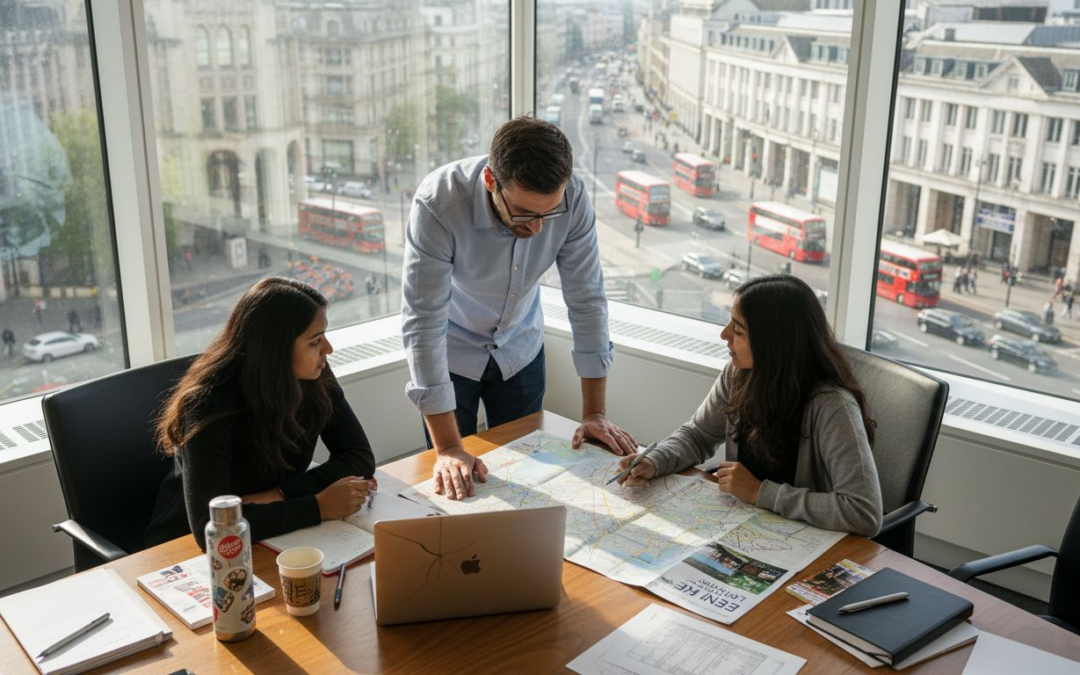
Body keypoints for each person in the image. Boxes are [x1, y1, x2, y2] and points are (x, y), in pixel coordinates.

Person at [402, 116, 637, 502]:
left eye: (550, 213)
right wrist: (445, 449)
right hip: (450, 353)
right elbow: (422, 325)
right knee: (456, 487)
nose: (539, 229)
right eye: (525, 214)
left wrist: (594, 413)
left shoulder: (573, 197)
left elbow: (587, 299)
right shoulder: (439, 203)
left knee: (529, 477)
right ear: (491, 182)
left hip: (520, 348)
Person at [615, 275, 883, 537]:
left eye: (738, 330)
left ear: (773, 344)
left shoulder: (832, 406)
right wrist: (654, 459)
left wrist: (760, 492)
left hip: (804, 541)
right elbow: (698, 435)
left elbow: (864, 512)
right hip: (744, 527)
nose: (724, 334)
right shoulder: (738, 375)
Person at [145, 277, 377, 550]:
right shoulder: (208, 404)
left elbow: (359, 456)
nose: (328, 349)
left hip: (272, 532)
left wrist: (277, 495)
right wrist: (317, 506)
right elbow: (210, 526)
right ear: (275, 350)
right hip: (183, 548)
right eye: (314, 342)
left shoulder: (316, 377)